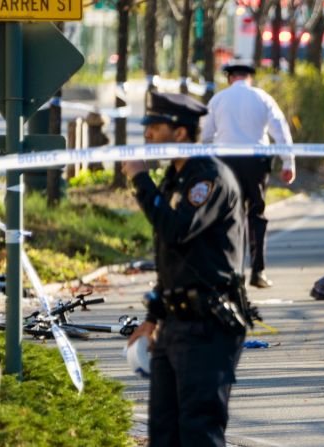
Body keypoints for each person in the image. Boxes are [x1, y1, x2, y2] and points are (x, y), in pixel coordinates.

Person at [124, 91, 247, 446]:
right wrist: (153, 316)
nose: (147, 135)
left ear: (179, 134)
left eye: (155, 127)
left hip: (208, 324)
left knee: (198, 432)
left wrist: (140, 181)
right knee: (164, 434)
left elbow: (177, 230)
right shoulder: (176, 177)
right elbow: (171, 259)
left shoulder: (207, 178)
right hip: (174, 324)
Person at [202, 60, 295, 288]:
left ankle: (231, 271)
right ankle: (258, 271)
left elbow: (204, 135)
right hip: (256, 162)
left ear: (230, 78)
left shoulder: (218, 99)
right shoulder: (262, 98)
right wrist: (288, 162)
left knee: (228, 215)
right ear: (249, 77)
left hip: (226, 163)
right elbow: (280, 130)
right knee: (257, 214)